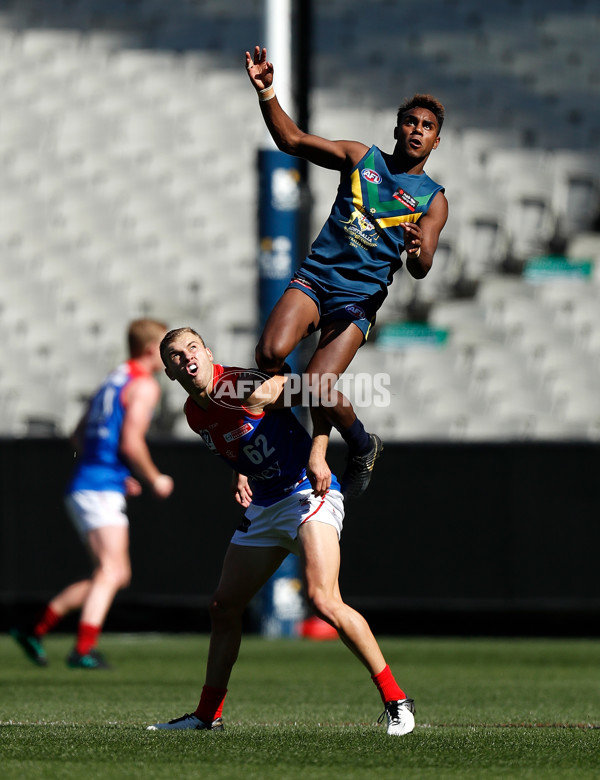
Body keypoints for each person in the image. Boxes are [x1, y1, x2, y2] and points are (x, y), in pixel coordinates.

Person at [147, 326, 415, 736]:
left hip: (308, 493)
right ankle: (207, 716)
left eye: (192, 348)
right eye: (176, 357)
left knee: (323, 600)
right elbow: (238, 437)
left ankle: (397, 701)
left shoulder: (242, 387)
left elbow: (320, 392)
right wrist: (240, 472)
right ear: (169, 372)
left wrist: (319, 453)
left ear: (208, 351)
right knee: (223, 607)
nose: (186, 358)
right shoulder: (192, 411)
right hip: (267, 505)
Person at [245, 45, 448, 499]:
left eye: (427, 127)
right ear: (397, 128)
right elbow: (292, 141)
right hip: (315, 278)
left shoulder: (433, 200)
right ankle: (312, 443)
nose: (417, 130)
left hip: (357, 299)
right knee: (269, 355)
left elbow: (421, 268)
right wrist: (267, 92)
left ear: (436, 141)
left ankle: (360, 444)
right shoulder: (361, 159)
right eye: (411, 122)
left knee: (317, 384)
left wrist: (417, 251)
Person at [11, 318, 174, 669]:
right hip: (97, 487)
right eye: (167, 349)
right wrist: (154, 478)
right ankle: (82, 650)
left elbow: (78, 436)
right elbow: (131, 441)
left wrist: (114, 471)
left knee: (113, 573)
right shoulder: (143, 384)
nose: (170, 357)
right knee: (112, 570)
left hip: (91, 482)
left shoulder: (114, 378)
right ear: (150, 350)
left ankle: (35, 629)